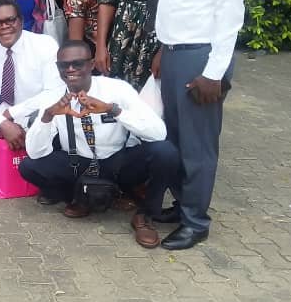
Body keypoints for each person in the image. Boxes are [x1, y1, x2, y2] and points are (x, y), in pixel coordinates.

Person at [152, 0, 247, 250]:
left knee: (198, 144)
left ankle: (196, 221)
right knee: (174, 137)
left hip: (201, 58)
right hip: (175, 52)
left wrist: (214, 73)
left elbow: (229, 17)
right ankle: (182, 204)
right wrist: (163, 48)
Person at [20, 40, 181, 249]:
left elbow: (158, 133)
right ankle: (81, 197)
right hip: (79, 163)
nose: (70, 69)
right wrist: (48, 116)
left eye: (77, 63)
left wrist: (113, 110)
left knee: (165, 152)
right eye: (63, 65)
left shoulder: (117, 89)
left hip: (118, 161)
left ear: (91, 64)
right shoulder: (54, 96)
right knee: (29, 167)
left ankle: (145, 215)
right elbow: (35, 152)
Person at [0, 0, 63, 154]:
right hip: (5, 114)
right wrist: (2, 123)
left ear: (21, 21)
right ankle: (3, 166)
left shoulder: (45, 44)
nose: (4, 26)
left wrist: (14, 113)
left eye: (10, 20)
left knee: (45, 122)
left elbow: (55, 93)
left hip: (37, 111)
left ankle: (38, 165)